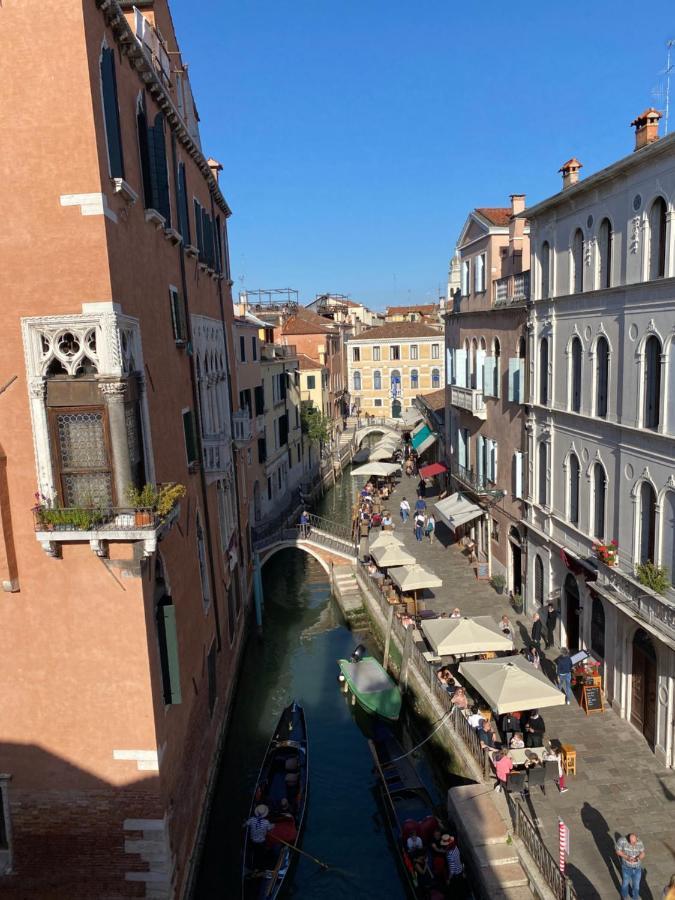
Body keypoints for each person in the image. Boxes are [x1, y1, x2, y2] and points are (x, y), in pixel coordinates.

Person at [244, 804, 274, 869]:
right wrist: (273, 825)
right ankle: (258, 867)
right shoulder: (266, 822)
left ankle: (250, 866)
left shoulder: (251, 819)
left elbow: (245, 825)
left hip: (252, 841)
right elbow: (269, 828)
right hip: (261, 843)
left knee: (253, 852)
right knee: (260, 855)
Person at [615, 833, 646, 899]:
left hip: (637, 868)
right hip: (626, 868)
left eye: (634, 842)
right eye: (631, 842)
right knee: (625, 884)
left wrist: (637, 858)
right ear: (628, 840)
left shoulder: (639, 843)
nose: (633, 844)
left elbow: (643, 853)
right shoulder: (622, 841)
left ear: (636, 839)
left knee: (636, 886)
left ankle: (635, 898)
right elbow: (617, 851)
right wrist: (626, 857)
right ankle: (624, 897)